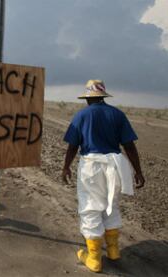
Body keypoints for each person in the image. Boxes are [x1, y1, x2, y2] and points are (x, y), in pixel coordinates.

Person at [62, 80, 145, 273]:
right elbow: (129, 146)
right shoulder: (117, 114)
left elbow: (73, 146)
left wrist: (66, 167)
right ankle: (114, 251)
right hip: (115, 166)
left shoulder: (81, 115)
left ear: (88, 99)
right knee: (111, 206)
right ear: (103, 96)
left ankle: (93, 258)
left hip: (91, 166)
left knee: (91, 208)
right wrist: (138, 171)